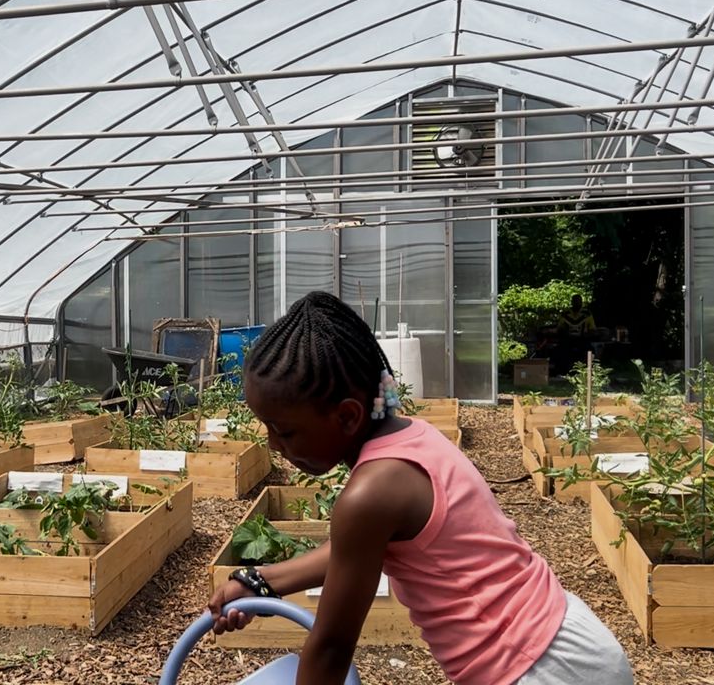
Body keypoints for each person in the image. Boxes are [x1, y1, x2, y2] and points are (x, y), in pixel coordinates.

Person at [206, 292, 632, 685]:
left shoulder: (370, 494)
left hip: (538, 667)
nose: (272, 444)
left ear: (348, 417)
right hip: (566, 636)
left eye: (283, 431)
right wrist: (259, 581)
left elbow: (331, 648)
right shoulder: (414, 437)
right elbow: (351, 551)